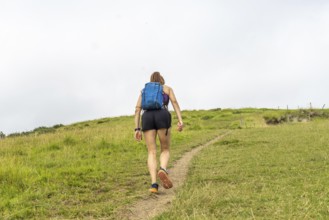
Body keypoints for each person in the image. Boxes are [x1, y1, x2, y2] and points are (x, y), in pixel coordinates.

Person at [134, 72, 184, 193]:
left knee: (151, 151)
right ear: (161, 80)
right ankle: (162, 169)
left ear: (151, 81)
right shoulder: (166, 88)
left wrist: (137, 129)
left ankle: (154, 184)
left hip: (147, 117)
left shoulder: (144, 90)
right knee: (165, 149)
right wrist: (180, 120)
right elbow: (175, 102)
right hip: (162, 115)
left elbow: (137, 109)